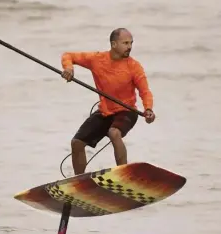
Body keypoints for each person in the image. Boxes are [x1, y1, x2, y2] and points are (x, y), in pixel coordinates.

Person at [61, 27, 155, 175]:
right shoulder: (97, 59)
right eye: (125, 43)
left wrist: (148, 109)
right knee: (76, 143)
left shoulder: (134, 66)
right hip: (105, 111)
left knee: (114, 132)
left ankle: (123, 174)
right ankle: (79, 181)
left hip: (127, 110)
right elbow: (68, 55)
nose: (129, 47)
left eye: (131, 43)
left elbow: (145, 91)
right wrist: (69, 69)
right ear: (113, 44)